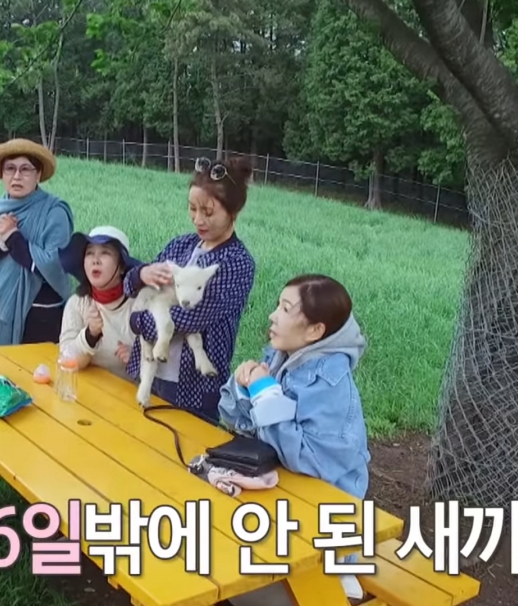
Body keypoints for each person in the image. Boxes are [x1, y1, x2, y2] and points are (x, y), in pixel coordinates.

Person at [217, 274, 371, 600]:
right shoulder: (284, 355)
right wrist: (244, 385)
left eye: (286, 309)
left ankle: (337, 576)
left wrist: (264, 392)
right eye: (278, 305)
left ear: (316, 331)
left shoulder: (330, 382)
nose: (273, 315)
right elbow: (234, 417)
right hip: (283, 490)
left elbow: (306, 460)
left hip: (324, 514)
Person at [124, 156, 257, 423]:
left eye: (208, 212)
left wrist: (137, 320)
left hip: (192, 384)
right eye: (192, 209)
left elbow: (190, 316)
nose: (198, 219)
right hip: (148, 371)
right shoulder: (180, 246)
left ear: (233, 211)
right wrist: (140, 274)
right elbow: (131, 287)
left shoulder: (236, 263)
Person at [0, 138, 74, 345]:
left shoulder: (54, 212)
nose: (17, 176)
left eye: (26, 169)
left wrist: (14, 238)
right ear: (2, 175)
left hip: (42, 320)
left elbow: (55, 265)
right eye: (10, 169)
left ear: (38, 174)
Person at [57, 226, 144, 379]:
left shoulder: (140, 305)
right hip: (85, 395)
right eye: (89, 253)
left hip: (128, 399)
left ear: (122, 266)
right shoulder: (77, 304)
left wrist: (137, 358)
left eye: (105, 253)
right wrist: (90, 336)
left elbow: (163, 362)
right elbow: (66, 360)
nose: (95, 260)